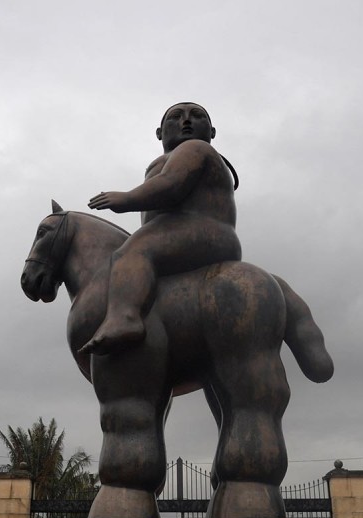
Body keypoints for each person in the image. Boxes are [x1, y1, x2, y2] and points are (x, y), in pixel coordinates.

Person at [80, 102, 242, 355]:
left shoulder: (195, 148)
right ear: (159, 133)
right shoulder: (167, 159)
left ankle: (125, 318)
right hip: (188, 236)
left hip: (202, 231)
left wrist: (126, 199)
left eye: (196, 116)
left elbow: (172, 184)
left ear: (212, 133)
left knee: (131, 253)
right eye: (175, 117)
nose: (186, 121)